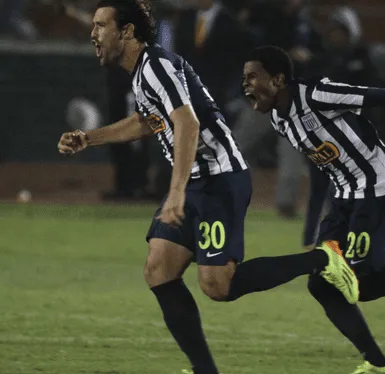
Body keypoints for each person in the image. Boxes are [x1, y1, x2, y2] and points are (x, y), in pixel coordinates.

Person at [56, 2, 358, 374]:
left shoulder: (157, 67)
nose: (93, 33)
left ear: (128, 31)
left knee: (218, 286)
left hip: (217, 178)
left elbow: (188, 124)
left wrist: (177, 192)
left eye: (102, 25)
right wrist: (90, 137)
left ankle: (323, 259)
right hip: (198, 180)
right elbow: (148, 121)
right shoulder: (145, 71)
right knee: (159, 270)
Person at [243, 45, 385, 374]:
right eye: (245, 78)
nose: (247, 85)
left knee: (361, 283)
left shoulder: (316, 93)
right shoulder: (280, 119)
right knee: (322, 285)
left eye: (254, 77)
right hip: (344, 196)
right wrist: (313, 224)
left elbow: (367, 95)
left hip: (376, 189)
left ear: (279, 79)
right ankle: (378, 364)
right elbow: (318, 169)